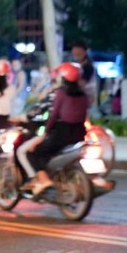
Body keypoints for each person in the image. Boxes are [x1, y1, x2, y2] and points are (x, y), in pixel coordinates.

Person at [26, 62, 89, 196]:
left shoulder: (61, 93)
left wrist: (45, 132)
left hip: (62, 133)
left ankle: (43, 180)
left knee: (33, 152)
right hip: (79, 133)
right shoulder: (83, 95)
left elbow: (54, 115)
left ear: (63, 78)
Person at [71, 39, 97, 115]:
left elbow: (82, 83)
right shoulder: (79, 65)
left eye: (77, 53)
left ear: (83, 51)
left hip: (87, 101)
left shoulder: (88, 66)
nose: (75, 54)